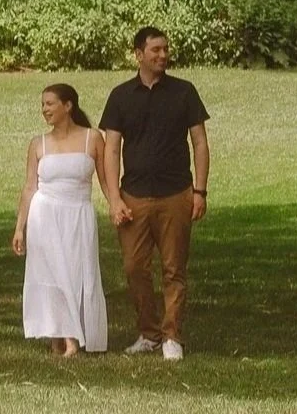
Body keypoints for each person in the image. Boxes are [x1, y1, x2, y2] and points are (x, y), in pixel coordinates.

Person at [99, 26, 209, 361]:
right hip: (133, 195)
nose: (162, 55)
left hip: (176, 192)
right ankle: (148, 333)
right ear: (138, 54)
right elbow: (111, 149)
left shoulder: (184, 92)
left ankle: (172, 335)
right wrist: (114, 197)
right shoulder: (121, 96)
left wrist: (200, 190)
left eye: (165, 49)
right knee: (134, 267)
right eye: (155, 50)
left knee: (174, 268)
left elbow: (200, 143)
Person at [13, 83, 118, 356]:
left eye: (50, 103)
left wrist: (116, 206)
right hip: (44, 214)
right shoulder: (38, 144)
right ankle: (62, 337)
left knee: (74, 272)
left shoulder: (92, 138)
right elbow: (29, 187)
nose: (44, 109)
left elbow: (106, 182)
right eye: (43, 105)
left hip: (78, 214)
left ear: (68, 105)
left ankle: (71, 335)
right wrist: (20, 228)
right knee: (51, 273)